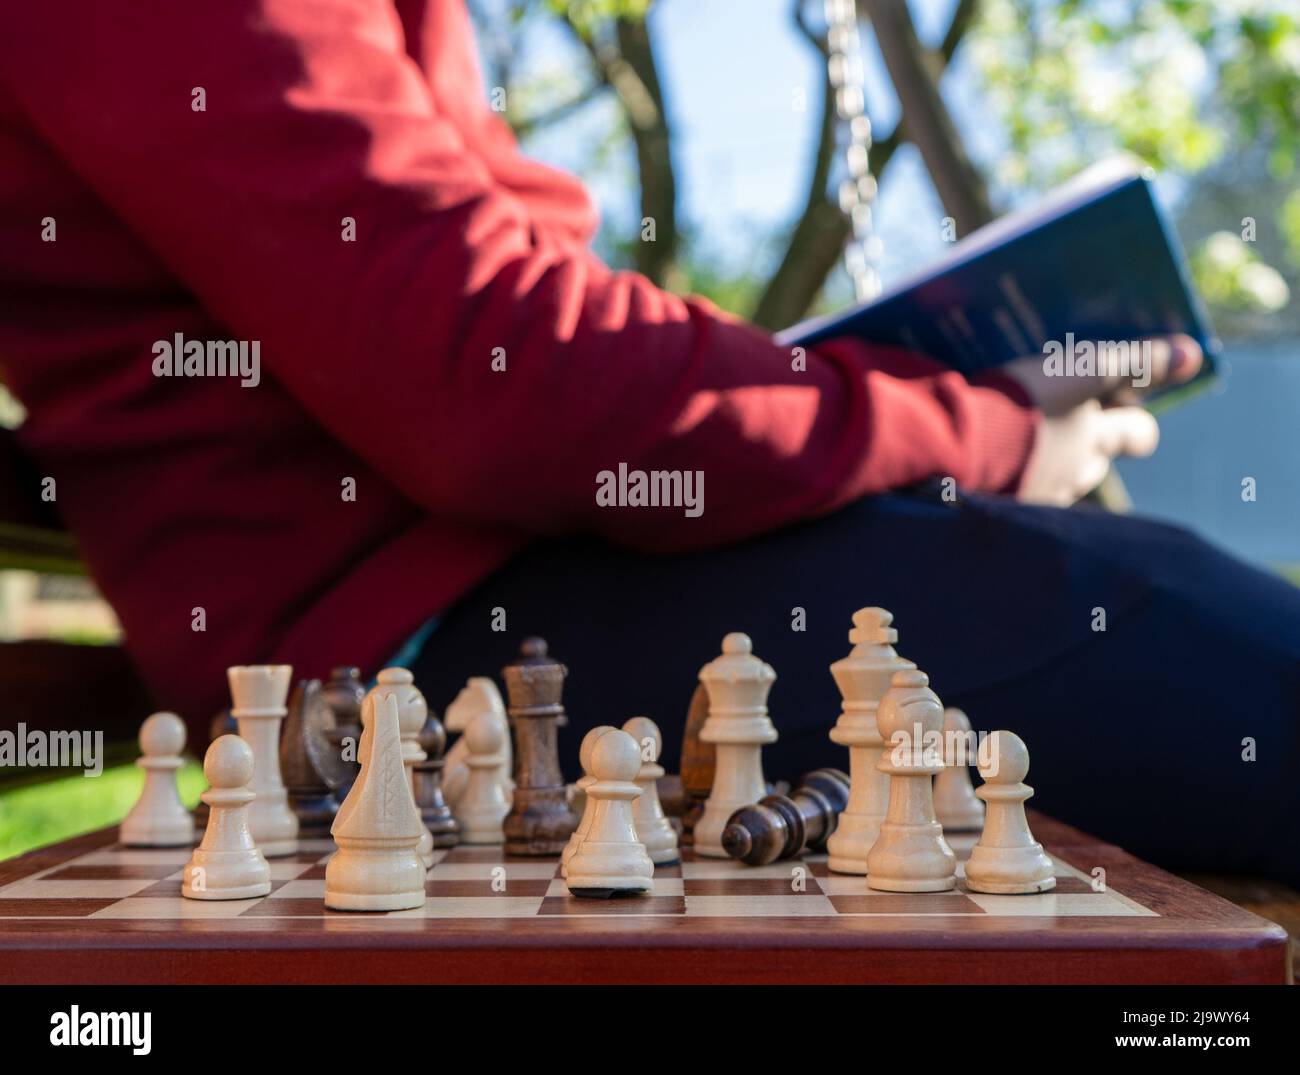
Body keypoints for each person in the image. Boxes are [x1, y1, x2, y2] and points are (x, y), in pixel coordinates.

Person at [0, 2, 1295, 885]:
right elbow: (499, 383)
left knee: (1161, 612)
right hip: (406, 664)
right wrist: (988, 430)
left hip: (496, 593)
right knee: (1151, 614)